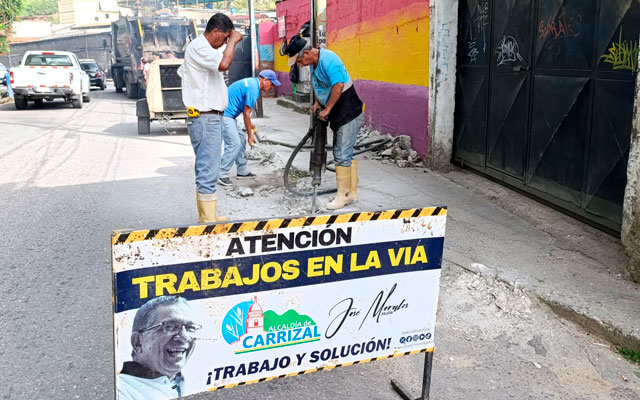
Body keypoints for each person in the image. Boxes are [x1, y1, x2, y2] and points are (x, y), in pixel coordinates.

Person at [286, 36, 364, 210]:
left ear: (306, 53)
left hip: (349, 112)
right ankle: (350, 194)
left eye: (300, 60)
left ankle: (343, 196)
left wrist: (327, 109)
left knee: (342, 153)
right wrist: (318, 103)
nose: (300, 64)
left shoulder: (329, 59)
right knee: (345, 153)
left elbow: (338, 85)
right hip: (340, 114)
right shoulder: (314, 64)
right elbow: (320, 85)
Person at [178, 13, 243, 223]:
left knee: (209, 166)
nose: (225, 42)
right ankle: (207, 221)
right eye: (224, 38)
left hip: (207, 117)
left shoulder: (201, 49)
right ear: (215, 31)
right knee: (208, 167)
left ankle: (208, 215)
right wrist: (233, 40)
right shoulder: (199, 47)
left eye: (227, 40)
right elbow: (224, 64)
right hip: (205, 117)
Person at [117, 296, 201, 400]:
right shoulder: (120, 392)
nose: (184, 338)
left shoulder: (197, 383)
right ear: (138, 342)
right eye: (169, 327)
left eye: (190, 328)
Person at [217, 70, 281, 186]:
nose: (272, 87)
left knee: (240, 140)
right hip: (224, 115)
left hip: (228, 115)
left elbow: (242, 107)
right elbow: (246, 113)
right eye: (272, 84)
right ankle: (222, 173)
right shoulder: (253, 89)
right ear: (265, 80)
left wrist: (249, 124)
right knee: (234, 143)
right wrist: (250, 135)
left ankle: (242, 171)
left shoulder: (252, 83)